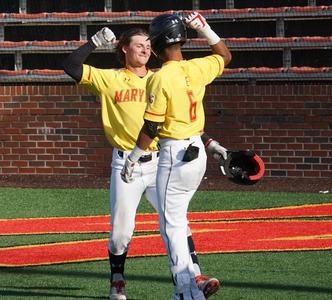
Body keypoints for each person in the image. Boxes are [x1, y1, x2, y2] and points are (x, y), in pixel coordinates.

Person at [62, 26, 221, 300]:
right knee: (120, 235)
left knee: (176, 219)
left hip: (162, 162)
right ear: (124, 49)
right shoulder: (110, 79)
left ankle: (194, 276)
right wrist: (94, 42)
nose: (146, 49)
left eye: (148, 45)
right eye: (139, 45)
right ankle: (117, 280)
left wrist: (207, 141)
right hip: (127, 166)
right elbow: (69, 66)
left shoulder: (160, 78)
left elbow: (176, 119)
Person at [121, 12, 231, 300]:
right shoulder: (196, 68)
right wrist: (205, 29)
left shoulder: (160, 78)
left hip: (175, 154)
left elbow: (152, 126)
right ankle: (193, 279)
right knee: (178, 219)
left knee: (170, 225)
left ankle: (186, 290)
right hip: (197, 151)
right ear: (182, 38)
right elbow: (224, 56)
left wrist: (133, 157)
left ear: (156, 44)